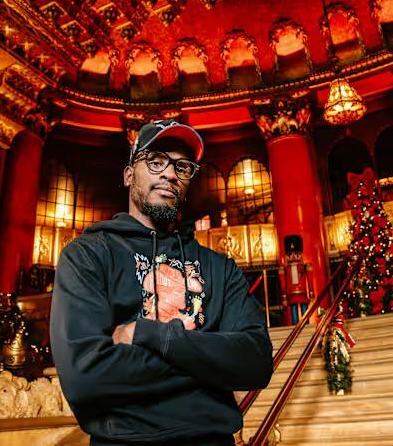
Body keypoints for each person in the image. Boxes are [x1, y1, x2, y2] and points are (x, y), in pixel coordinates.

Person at [50, 119, 273, 446]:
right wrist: (211, 363)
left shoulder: (220, 267)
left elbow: (256, 362)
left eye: (182, 167)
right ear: (129, 175)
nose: (170, 174)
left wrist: (150, 335)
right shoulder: (89, 255)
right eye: (156, 161)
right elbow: (86, 376)